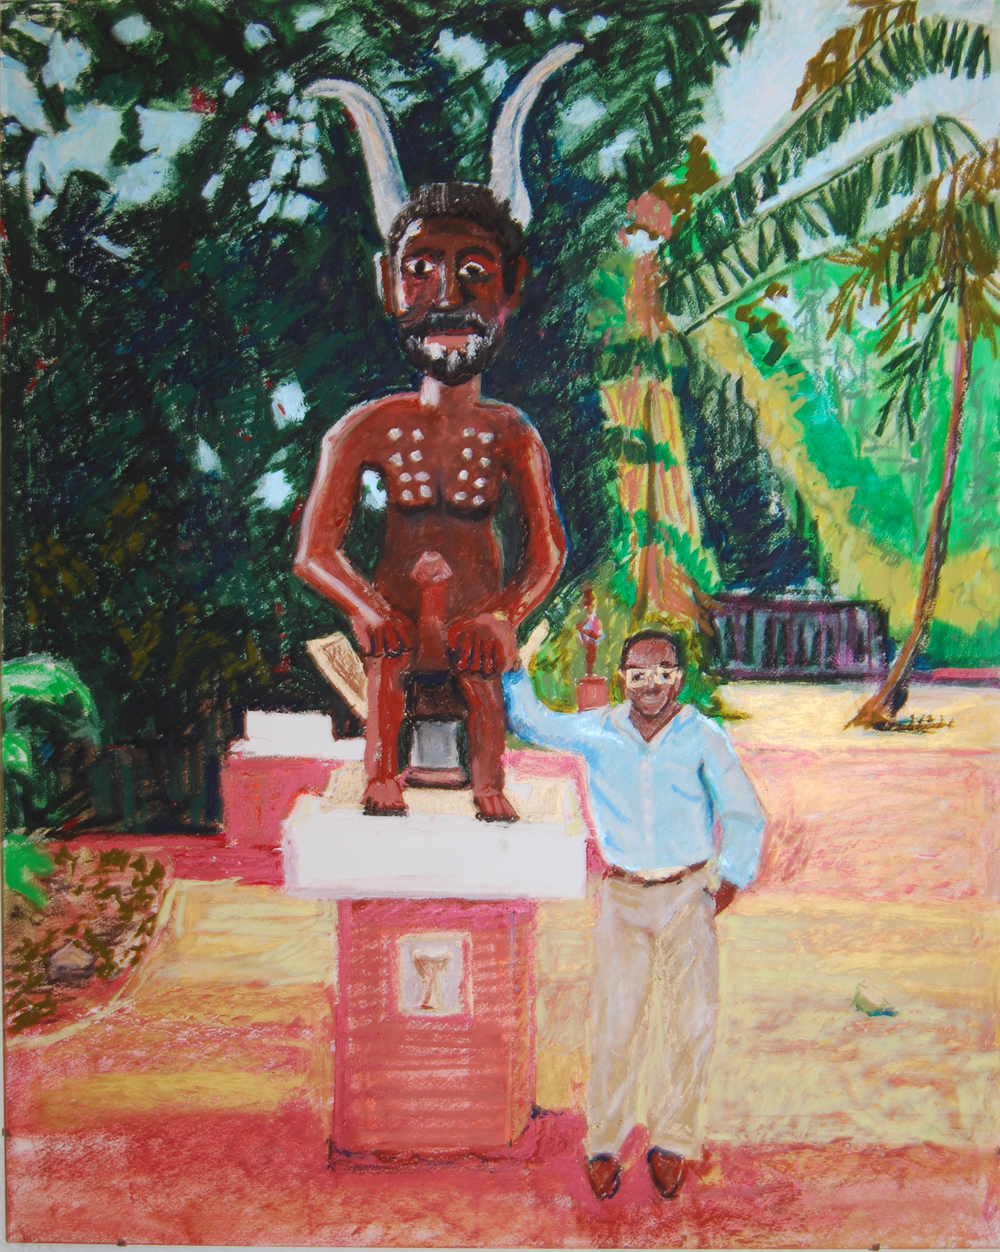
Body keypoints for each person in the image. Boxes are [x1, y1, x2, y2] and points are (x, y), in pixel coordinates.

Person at [295, 49, 579, 820]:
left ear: (509, 289)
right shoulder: (366, 428)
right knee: (388, 669)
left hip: (475, 632)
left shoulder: (511, 432)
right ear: (390, 286)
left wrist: (503, 615)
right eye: (421, 268)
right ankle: (381, 779)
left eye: (474, 272)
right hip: (392, 632)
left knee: (482, 683)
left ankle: (489, 785)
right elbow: (315, 550)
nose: (447, 296)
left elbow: (548, 550)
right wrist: (365, 607)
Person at [503, 627, 765, 1201]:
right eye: (639, 671)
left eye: (664, 668)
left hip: (687, 892)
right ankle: (603, 1144)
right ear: (623, 678)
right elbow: (533, 725)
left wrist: (729, 883)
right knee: (617, 1024)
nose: (652, 682)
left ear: (680, 675)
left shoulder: (703, 735)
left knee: (690, 1022)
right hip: (621, 896)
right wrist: (513, 669)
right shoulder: (600, 731)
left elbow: (745, 813)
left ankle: (672, 1140)